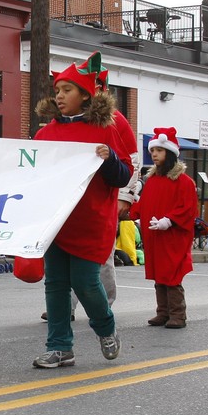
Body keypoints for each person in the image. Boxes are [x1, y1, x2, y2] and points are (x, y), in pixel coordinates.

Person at [30, 53, 131, 368]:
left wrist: (110, 158)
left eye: (67, 90)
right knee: (56, 283)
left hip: (91, 222)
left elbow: (123, 175)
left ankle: (105, 327)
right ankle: (60, 346)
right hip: (57, 223)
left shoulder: (105, 129)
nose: (59, 96)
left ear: (85, 94)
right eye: (57, 90)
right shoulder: (45, 134)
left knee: (86, 282)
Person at [130, 128, 198, 328]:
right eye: (153, 151)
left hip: (173, 236)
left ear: (169, 153)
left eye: (159, 150)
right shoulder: (152, 180)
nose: (154, 154)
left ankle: (178, 314)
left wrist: (168, 221)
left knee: (171, 273)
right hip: (155, 236)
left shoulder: (184, 181)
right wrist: (132, 208)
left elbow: (188, 208)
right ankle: (163, 312)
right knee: (159, 273)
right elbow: (144, 205)